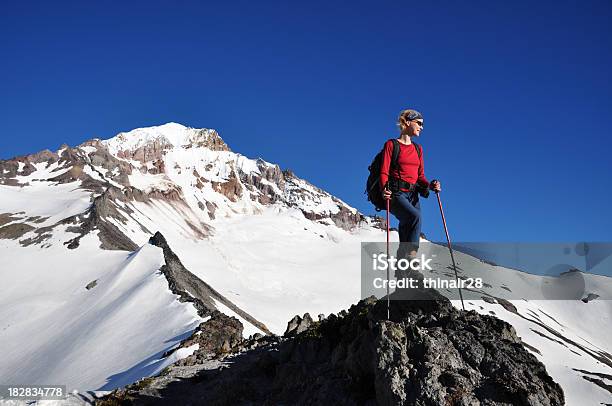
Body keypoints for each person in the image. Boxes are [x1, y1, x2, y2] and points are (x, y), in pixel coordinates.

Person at [380, 109, 441, 260]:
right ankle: (412, 259)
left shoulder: (418, 149)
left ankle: (402, 269)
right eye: (419, 123)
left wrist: (431, 185)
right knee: (415, 217)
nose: (422, 127)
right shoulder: (391, 145)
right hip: (396, 193)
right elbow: (384, 172)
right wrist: (383, 190)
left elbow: (420, 176)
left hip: (413, 196)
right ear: (407, 122)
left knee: (407, 227)